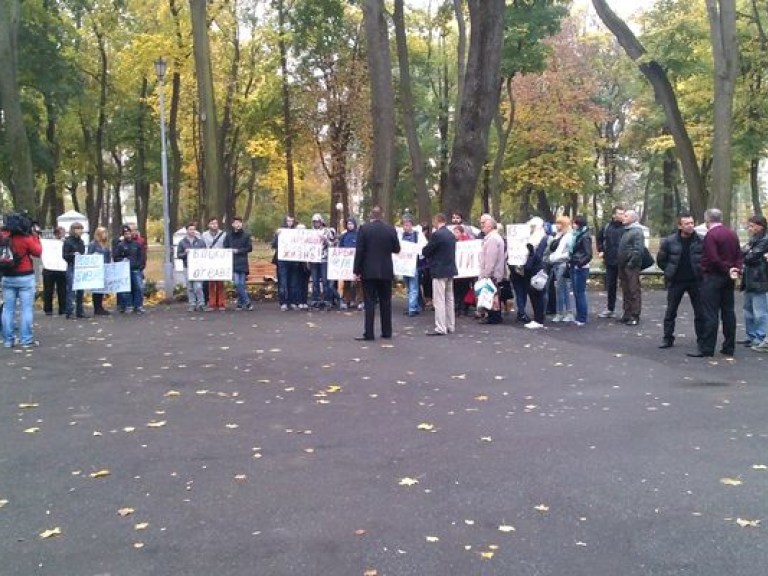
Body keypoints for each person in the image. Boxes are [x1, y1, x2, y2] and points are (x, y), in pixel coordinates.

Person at [687, 208, 742, 358]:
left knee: (710, 313)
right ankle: (729, 346)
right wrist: (735, 269)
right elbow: (739, 254)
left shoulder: (711, 235)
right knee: (728, 312)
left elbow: (713, 257)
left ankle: (707, 347)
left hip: (713, 277)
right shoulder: (731, 233)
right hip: (728, 278)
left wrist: (726, 269)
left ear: (707, 219)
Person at [655, 213, 704, 349]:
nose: (690, 226)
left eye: (692, 223)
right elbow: (661, 260)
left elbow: (705, 259)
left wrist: (701, 272)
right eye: (686, 224)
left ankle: (702, 339)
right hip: (676, 280)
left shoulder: (701, 240)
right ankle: (667, 338)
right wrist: (669, 270)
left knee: (700, 312)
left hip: (696, 280)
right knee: (671, 311)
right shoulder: (669, 241)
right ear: (680, 226)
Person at [352, 206, 401, 341]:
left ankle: (369, 333)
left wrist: (356, 270)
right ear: (382, 215)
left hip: (368, 270)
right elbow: (397, 248)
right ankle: (386, 331)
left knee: (369, 301)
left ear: (371, 215)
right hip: (386, 270)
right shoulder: (390, 229)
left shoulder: (364, 229)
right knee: (386, 301)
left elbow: (360, 251)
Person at [1, 214, 43, 348]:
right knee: (26, 309)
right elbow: (38, 252)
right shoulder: (26, 239)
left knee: (8, 310)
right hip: (25, 276)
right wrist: (36, 236)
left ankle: (8, 340)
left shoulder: (4, 238)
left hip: (7, 276)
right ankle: (26, 340)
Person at [421, 213, 457, 336]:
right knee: (449, 299)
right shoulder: (451, 235)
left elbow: (427, 250)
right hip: (450, 270)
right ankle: (450, 325)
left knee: (439, 300)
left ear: (437, 221)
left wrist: (424, 250)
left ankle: (441, 327)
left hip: (439, 270)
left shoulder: (437, 235)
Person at [739, 215, 768, 352]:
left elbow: (751, 256)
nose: (749, 228)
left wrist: (748, 252)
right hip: (749, 278)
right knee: (748, 310)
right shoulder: (754, 239)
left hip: (759, 279)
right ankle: (751, 336)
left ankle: (760, 336)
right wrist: (747, 252)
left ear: (760, 226)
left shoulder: (764, 239)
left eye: (752, 226)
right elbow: (743, 252)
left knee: (759, 311)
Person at [616, 209, 645, 326]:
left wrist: (631, 263)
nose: (623, 217)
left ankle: (635, 315)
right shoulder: (626, 230)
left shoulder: (636, 231)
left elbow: (638, 249)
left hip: (631, 266)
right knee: (626, 290)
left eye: (626, 216)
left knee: (633, 290)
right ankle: (627, 313)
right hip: (623, 265)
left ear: (632, 218)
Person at [596, 207, 625, 318]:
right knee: (611, 286)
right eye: (619, 213)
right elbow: (599, 239)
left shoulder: (626, 227)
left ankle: (627, 310)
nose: (622, 215)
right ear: (614, 215)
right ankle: (610, 308)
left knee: (626, 287)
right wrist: (601, 250)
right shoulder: (607, 227)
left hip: (624, 261)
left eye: (623, 213)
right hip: (610, 260)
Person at [477, 214, 506, 325]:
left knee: (491, 294)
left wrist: (487, 273)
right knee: (494, 294)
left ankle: (494, 316)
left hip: (492, 273)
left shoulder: (492, 239)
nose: (482, 227)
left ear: (490, 227)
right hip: (496, 272)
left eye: (485, 225)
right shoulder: (495, 237)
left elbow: (491, 258)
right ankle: (494, 315)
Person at [523, 218, 550, 329]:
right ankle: (537, 318)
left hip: (538, 269)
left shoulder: (542, 239)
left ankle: (539, 319)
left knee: (537, 293)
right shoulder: (535, 238)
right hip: (532, 269)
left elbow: (539, 256)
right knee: (533, 294)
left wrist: (531, 252)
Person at [114, 225, 147, 314]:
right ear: (123, 235)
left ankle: (138, 306)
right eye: (126, 234)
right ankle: (129, 305)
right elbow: (116, 257)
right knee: (126, 289)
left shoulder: (137, 244)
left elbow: (142, 257)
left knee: (139, 288)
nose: (128, 235)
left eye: (129, 233)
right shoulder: (120, 245)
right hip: (125, 271)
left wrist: (141, 266)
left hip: (136, 270)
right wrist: (122, 260)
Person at [546, 215, 574, 323]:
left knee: (564, 289)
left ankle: (567, 312)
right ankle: (561, 312)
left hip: (563, 264)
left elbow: (570, 252)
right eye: (557, 223)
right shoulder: (558, 236)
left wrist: (556, 257)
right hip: (555, 264)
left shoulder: (569, 236)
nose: (557, 225)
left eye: (559, 223)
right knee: (559, 289)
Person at [224, 216, 253, 311]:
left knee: (242, 284)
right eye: (236, 223)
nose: (238, 224)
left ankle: (240, 304)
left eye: (239, 223)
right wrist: (230, 250)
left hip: (243, 261)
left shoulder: (246, 235)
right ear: (232, 224)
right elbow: (225, 247)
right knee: (237, 283)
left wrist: (238, 251)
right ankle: (247, 302)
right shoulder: (229, 236)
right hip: (232, 262)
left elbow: (249, 248)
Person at [177, 222, 207, 312]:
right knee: (190, 287)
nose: (192, 231)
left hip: (198, 267)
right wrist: (185, 253)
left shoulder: (200, 241)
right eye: (190, 229)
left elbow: (205, 253)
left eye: (194, 229)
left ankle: (201, 303)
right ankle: (192, 304)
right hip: (188, 267)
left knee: (198, 286)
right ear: (187, 231)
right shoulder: (182, 242)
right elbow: (179, 255)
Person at [309, 213, 337, 308]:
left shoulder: (327, 231)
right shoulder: (310, 232)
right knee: (315, 281)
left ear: (321, 222)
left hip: (324, 259)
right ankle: (315, 299)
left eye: (318, 221)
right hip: (313, 260)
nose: (316, 223)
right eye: (314, 222)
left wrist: (325, 240)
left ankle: (327, 299)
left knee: (325, 281)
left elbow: (333, 244)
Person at [569, 215, 593, 326]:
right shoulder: (577, 235)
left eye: (574, 223)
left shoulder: (585, 237)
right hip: (574, 265)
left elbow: (588, 254)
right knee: (577, 293)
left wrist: (579, 264)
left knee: (580, 293)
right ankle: (579, 316)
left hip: (581, 267)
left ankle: (582, 317)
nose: (573, 225)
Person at [272, 215, 298, 312]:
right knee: (283, 282)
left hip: (293, 261)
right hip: (282, 261)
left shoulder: (297, 232)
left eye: (291, 221)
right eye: (288, 221)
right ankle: (283, 302)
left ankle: (291, 302)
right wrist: (276, 235)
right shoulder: (281, 232)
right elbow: (273, 245)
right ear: (285, 222)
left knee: (292, 283)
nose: (290, 223)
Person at [63, 222, 88, 319]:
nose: (80, 231)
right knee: (71, 289)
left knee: (80, 289)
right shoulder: (68, 241)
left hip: (80, 267)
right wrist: (73, 255)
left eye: (81, 229)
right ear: (73, 230)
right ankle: (69, 311)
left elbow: (82, 252)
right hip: (72, 266)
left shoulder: (81, 241)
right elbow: (64, 255)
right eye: (78, 229)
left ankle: (79, 311)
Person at [201, 217, 227, 311]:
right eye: (212, 223)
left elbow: (226, 246)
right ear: (209, 225)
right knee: (211, 283)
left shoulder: (223, 234)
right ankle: (212, 303)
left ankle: (221, 303)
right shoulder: (204, 235)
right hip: (209, 261)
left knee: (220, 283)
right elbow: (202, 246)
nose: (214, 225)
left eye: (215, 223)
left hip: (220, 260)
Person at [338, 217, 363, 310]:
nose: (350, 225)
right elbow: (340, 249)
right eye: (348, 224)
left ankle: (359, 301)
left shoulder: (359, 235)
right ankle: (346, 300)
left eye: (351, 224)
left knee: (358, 281)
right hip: (346, 262)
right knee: (347, 282)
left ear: (355, 225)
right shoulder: (344, 236)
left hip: (357, 262)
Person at [42, 226, 67, 316]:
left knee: (62, 290)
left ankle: (63, 309)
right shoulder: (47, 243)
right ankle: (48, 310)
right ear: (57, 233)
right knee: (48, 291)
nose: (64, 234)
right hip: (49, 268)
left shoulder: (65, 242)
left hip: (61, 268)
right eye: (62, 232)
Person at [87, 227, 112, 316]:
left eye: (106, 232)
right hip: (96, 269)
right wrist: (93, 255)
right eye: (103, 233)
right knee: (96, 289)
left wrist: (109, 266)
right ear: (98, 234)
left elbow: (108, 256)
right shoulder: (93, 244)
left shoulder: (106, 245)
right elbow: (88, 256)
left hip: (104, 268)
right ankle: (97, 308)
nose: (105, 234)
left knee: (102, 289)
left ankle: (100, 307)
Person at [401, 216, 422, 317]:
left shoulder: (417, 236)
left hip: (413, 265)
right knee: (409, 287)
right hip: (404, 265)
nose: (406, 227)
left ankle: (412, 308)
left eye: (408, 225)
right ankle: (415, 306)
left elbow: (421, 248)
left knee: (413, 287)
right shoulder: (400, 236)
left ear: (411, 226)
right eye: (405, 225)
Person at [452, 225, 473, 317]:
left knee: (464, 289)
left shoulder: (467, 242)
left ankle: (464, 308)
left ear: (461, 233)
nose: (455, 234)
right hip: (456, 271)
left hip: (465, 272)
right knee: (456, 290)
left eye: (457, 232)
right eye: (454, 232)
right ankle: (457, 308)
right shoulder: (453, 242)